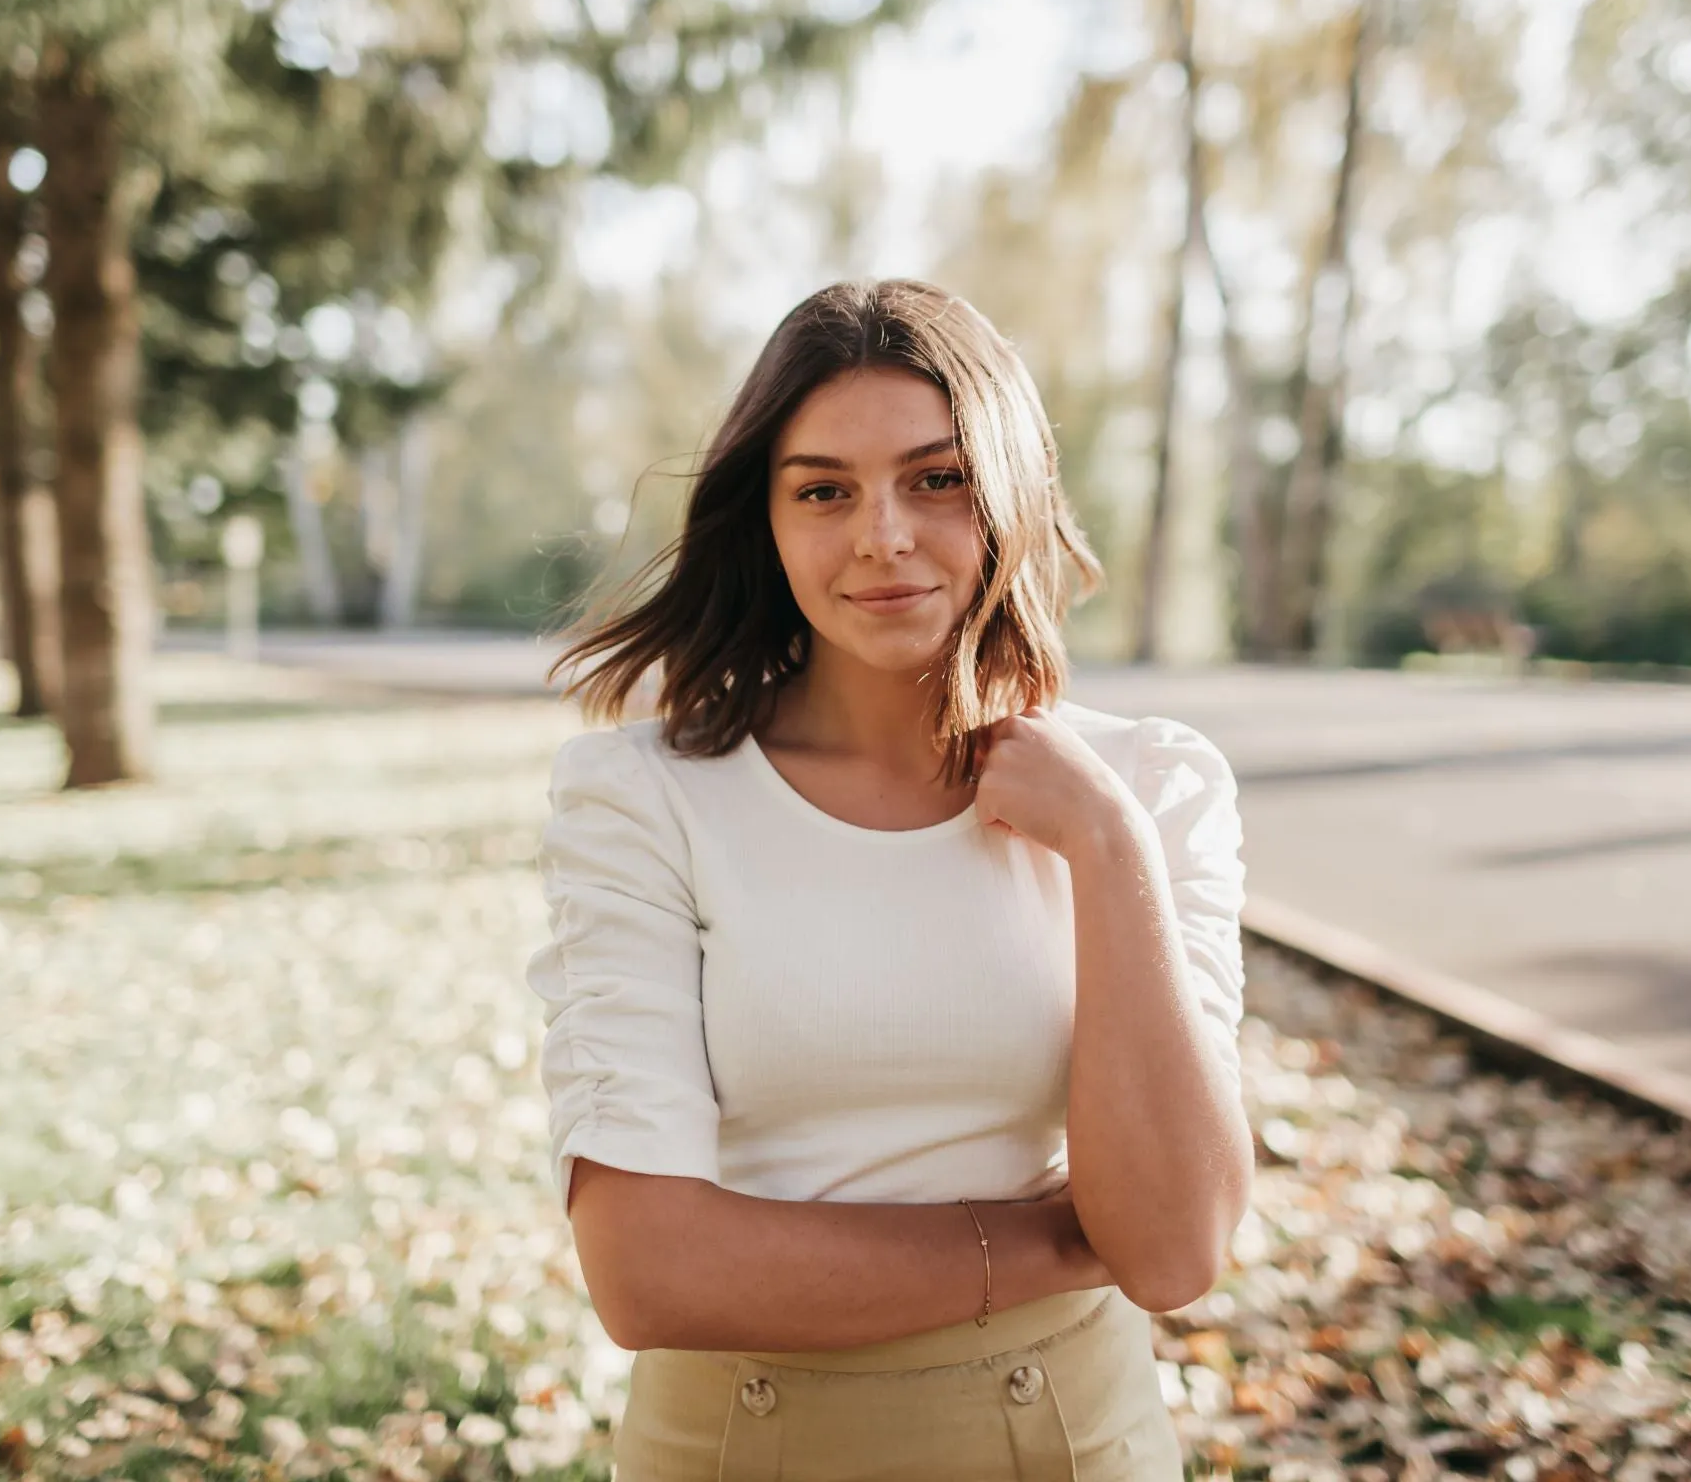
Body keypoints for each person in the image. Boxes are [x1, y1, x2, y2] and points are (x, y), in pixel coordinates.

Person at [529, 278, 1251, 1479]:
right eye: (824, 490)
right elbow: (650, 1272)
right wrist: (1070, 1239)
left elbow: (1174, 1251)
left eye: (937, 477)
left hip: (1075, 1444)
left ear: (1012, 487)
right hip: (731, 1446)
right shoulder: (644, 799)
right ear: (763, 518)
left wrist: (1108, 851)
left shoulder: (1147, 789)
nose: (882, 535)